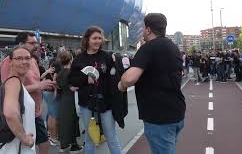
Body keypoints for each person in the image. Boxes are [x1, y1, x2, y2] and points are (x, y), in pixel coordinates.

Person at [118, 13, 186, 154]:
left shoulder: (148, 48)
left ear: (148, 29)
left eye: (144, 28)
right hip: (176, 111)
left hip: (158, 116)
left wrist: (121, 85)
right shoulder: (173, 47)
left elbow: (129, 79)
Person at [69, 26, 122, 154]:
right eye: (94, 38)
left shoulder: (107, 56)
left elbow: (114, 77)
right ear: (87, 40)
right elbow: (72, 80)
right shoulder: (79, 59)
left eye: (100, 38)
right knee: (90, 136)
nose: (98, 41)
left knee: (110, 135)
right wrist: (85, 80)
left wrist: (117, 64)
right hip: (87, 103)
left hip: (106, 102)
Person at [1, 32, 55, 154]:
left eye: (36, 43)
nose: (36, 46)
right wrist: (38, 86)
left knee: (42, 143)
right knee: (21, 146)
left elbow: (35, 81)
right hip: (21, 112)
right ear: (20, 44)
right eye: (32, 43)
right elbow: (6, 87)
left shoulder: (32, 60)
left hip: (34, 111)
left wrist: (44, 84)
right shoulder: (9, 61)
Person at [0, 46, 36, 154]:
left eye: (27, 58)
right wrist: (25, 138)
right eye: (19, 58)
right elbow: (10, 113)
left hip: (15, 145)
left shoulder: (16, 83)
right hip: (16, 147)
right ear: (10, 62)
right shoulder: (13, 82)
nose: (24, 61)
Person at [57, 51, 83, 153]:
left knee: (64, 122)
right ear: (71, 59)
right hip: (72, 99)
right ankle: (74, 145)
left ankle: (64, 145)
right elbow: (74, 87)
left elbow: (59, 87)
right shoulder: (70, 72)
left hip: (64, 98)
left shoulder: (60, 72)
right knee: (73, 122)